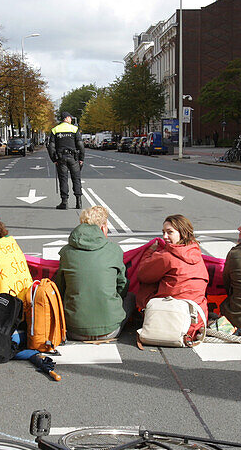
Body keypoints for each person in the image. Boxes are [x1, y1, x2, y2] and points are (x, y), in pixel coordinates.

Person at [54, 206, 130, 341]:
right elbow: (122, 286)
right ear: (102, 227)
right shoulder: (114, 250)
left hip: (73, 329)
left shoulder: (66, 253)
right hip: (110, 330)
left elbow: (60, 287)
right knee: (131, 298)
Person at [135, 214, 209, 312]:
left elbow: (142, 274)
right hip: (197, 316)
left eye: (169, 232)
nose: (165, 237)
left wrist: (149, 252)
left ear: (183, 233)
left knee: (142, 290)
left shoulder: (166, 256)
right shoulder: (196, 253)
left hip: (171, 317)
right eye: (163, 232)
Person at [48, 112, 85, 210]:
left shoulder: (55, 130)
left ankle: (64, 202)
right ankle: (78, 201)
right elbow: (80, 145)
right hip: (73, 158)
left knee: (63, 179)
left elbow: (51, 146)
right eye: (70, 118)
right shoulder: (74, 129)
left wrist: (54, 159)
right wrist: (81, 158)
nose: (71, 120)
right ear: (67, 118)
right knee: (76, 179)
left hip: (61, 158)